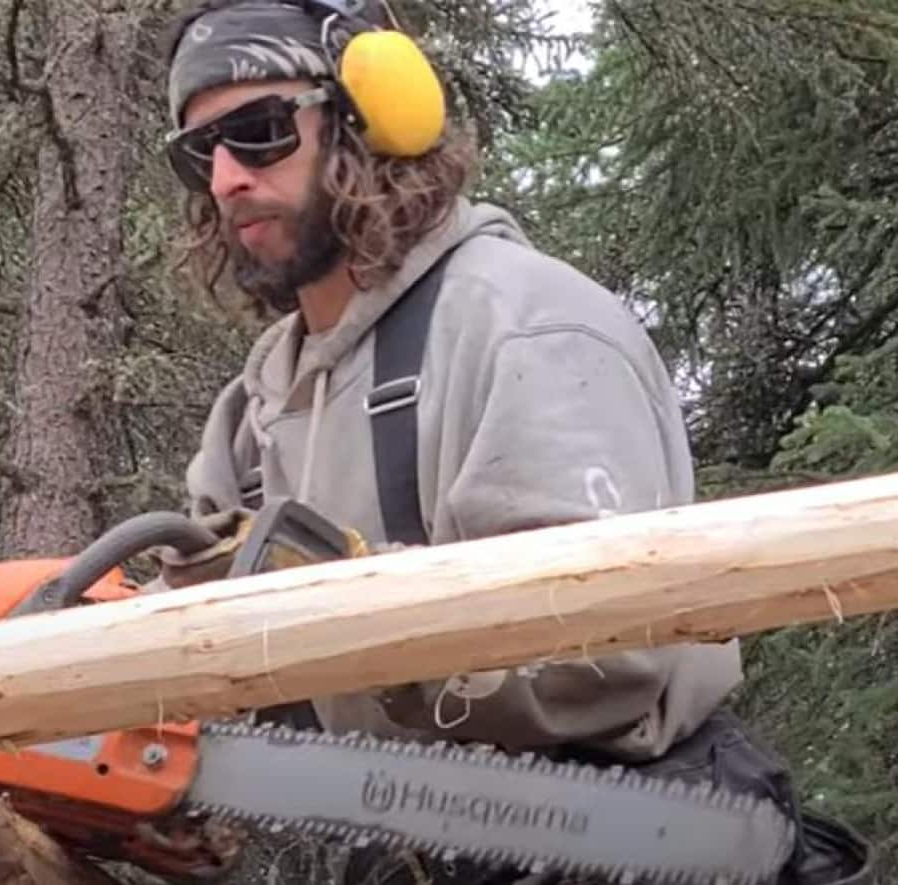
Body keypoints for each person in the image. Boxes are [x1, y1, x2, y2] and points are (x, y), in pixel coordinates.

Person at [154, 1, 872, 882]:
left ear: (365, 120)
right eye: (201, 153)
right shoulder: (257, 401)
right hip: (408, 846)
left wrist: (355, 629)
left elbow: (610, 646)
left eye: (259, 132)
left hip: (615, 836)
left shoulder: (524, 325)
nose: (227, 177)